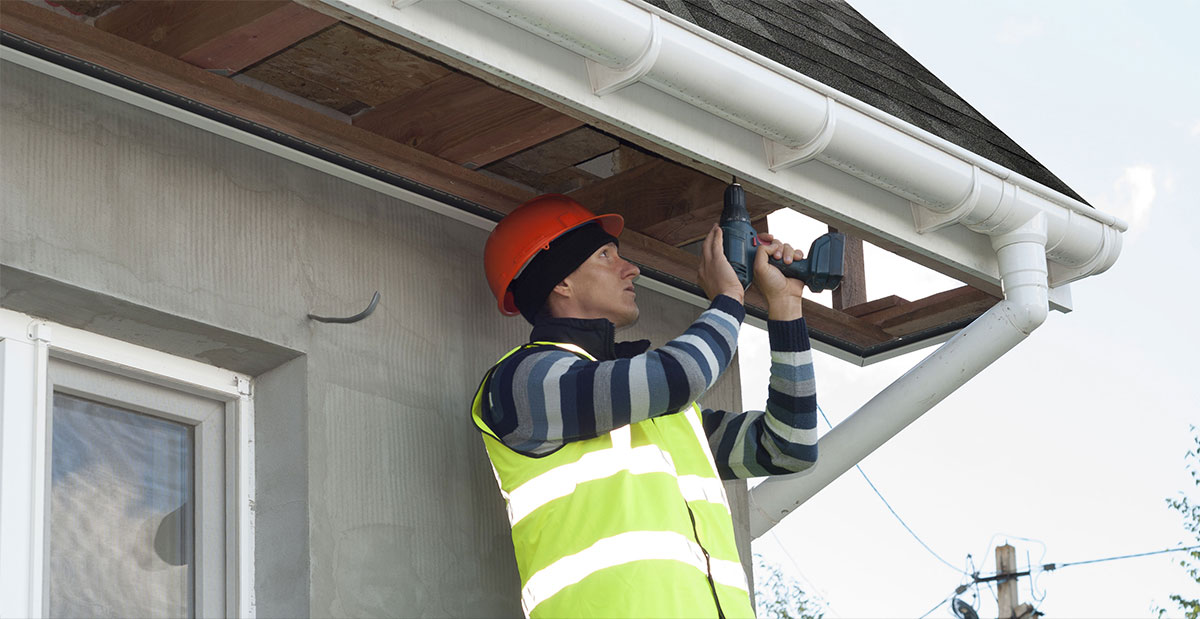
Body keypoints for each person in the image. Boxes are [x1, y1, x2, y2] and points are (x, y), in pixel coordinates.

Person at [472, 193, 818, 618]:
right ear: (560, 282)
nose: (630, 268)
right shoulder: (522, 383)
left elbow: (789, 446)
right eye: (605, 255)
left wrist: (786, 306)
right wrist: (729, 297)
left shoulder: (660, 413)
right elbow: (682, 375)